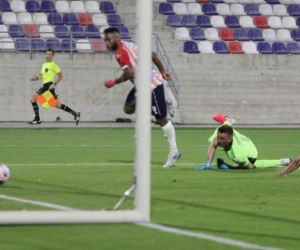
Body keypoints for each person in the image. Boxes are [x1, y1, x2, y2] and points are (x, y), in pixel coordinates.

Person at [103, 27, 180, 168]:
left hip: (151, 85)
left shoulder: (121, 53)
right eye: (105, 40)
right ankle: (162, 105)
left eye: (109, 39)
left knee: (162, 119)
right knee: (128, 108)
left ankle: (174, 151)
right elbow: (153, 55)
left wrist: (114, 82)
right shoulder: (130, 45)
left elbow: (129, 73)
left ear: (117, 38)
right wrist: (162, 71)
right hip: (141, 86)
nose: (106, 43)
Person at [196, 114, 291, 170]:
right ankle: (227, 121)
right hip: (243, 140)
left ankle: (283, 161)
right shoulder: (223, 133)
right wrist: (208, 162)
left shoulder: (237, 155)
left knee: (251, 165)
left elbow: (248, 167)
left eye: (222, 139)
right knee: (214, 136)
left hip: (250, 153)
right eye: (219, 137)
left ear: (230, 139)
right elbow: (214, 143)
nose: (219, 140)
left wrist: (231, 167)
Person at [29, 49, 80, 125]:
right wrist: (36, 78)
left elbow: (61, 76)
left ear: (52, 56)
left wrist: (54, 84)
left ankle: (37, 119)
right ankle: (75, 114)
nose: (47, 56)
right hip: (46, 86)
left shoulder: (53, 65)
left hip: (49, 86)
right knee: (57, 105)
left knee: (33, 99)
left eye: (49, 54)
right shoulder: (44, 65)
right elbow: (42, 75)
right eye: (46, 54)